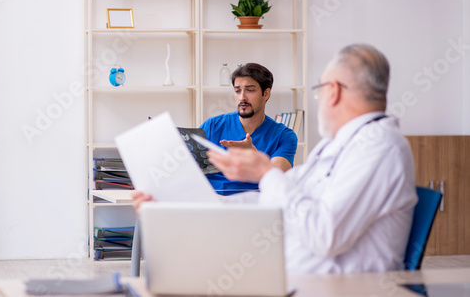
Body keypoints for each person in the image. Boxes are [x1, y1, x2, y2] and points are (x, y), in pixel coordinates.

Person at [133, 44, 417, 274]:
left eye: (319, 90)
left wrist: (264, 173)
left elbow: (325, 234)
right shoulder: (339, 146)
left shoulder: (378, 149)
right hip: (277, 265)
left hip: (322, 284)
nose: (241, 96)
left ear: (335, 91)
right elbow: (275, 199)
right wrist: (176, 209)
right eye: (237, 90)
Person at [200, 63, 298, 195]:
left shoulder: (284, 136)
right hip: (214, 202)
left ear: (266, 94)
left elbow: (278, 176)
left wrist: (255, 156)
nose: (242, 97)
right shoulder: (211, 126)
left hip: (257, 205)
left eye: (250, 90)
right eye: (237, 90)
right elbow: (187, 168)